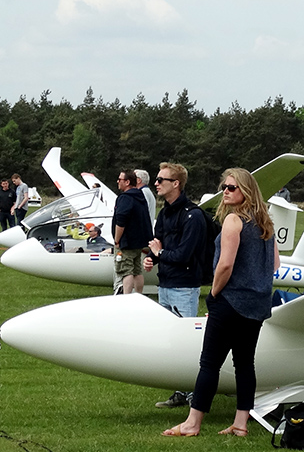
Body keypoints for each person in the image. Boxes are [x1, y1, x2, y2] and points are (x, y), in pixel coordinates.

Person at [164, 168, 279, 437]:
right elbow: (275, 264)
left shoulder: (233, 221)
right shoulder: (266, 224)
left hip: (230, 301)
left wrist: (214, 294)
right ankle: (240, 424)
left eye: (231, 188)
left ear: (246, 191)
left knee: (209, 363)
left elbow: (225, 265)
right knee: (244, 364)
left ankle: (192, 423)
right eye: (224, 187)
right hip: (257, 304)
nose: (225, 192)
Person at [144, 162, 209, 409]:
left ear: (176, 184)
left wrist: (159, 254)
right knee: (171, 340)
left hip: (184, 286)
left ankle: (194, 394)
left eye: (162, 179)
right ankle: (180, 391)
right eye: (157, 179)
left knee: (187, 342)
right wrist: (153, 257)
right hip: (166, 283)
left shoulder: (193, 216)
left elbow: (183, 255)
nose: (157, 183)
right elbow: (158, 246)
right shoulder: (164, 214)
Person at [112, 169, 153, 294]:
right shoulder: (140, 196)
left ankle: (127, 297)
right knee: (137, 270)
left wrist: (117, 239)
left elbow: (121, 220)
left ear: (128, 182)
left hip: (127, 241)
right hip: (138, 241)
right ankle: (139, 295)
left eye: (120, 179)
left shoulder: (125, 198)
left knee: (126, 270)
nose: (118, 181)